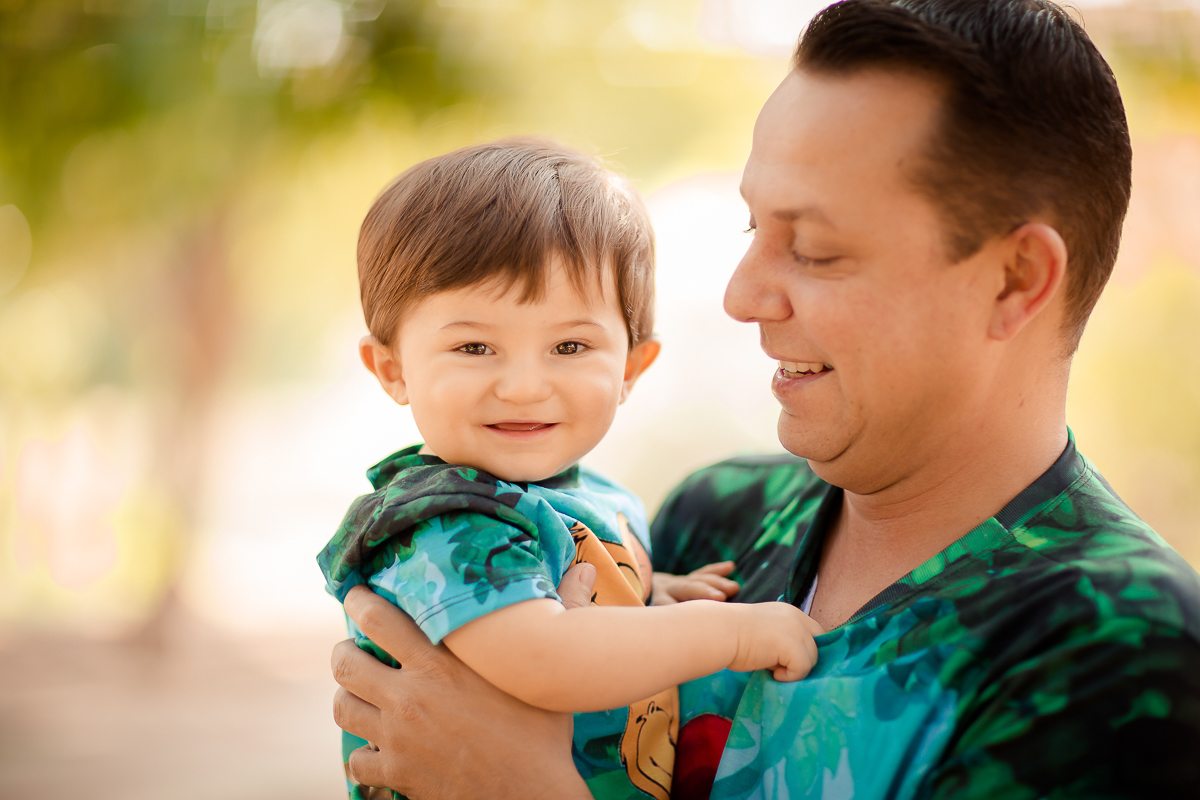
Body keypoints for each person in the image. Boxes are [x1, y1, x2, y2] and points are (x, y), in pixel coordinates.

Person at [329, 1, 1200, 798]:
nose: (742, 294)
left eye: (813, 248)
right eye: (755, 229)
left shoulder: (1115, 648)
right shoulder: (722, 518)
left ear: (1015, 280)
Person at [318, 138, 824, 800]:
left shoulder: (577, 495)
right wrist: (728, 633)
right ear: (392, 368)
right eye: (475, 346)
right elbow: (544, 657)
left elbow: (558, 600)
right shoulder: (446, 521)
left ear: (630, 369)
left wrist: (639, 592)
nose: (525, 386)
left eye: (569, 345)